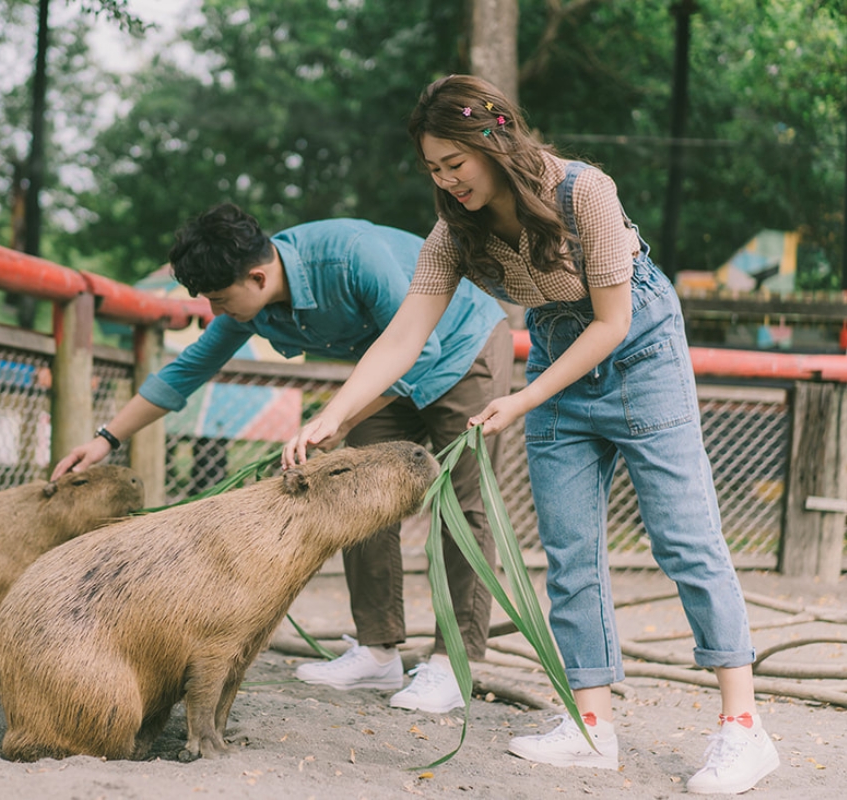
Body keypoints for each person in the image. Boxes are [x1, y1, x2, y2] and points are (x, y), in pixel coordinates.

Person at [282, 74, 779, 795]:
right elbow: (405, 334)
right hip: (553, 355)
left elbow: (612, 324)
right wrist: (335, 417)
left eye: (456, 164)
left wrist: (524, 397)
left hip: (640, 355)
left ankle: (743, 730)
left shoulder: (585, 193)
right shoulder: (456, 231)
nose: (448, 183)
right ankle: (591, 727)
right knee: (571, 553)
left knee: (685, 539)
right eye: (434, 171)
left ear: (497, 138)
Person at [53, 202, 513, 713]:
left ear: (255, 275)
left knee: (462, 505)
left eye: (221, 299)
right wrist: (105, 439)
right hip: (383, 374)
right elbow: (185, 372)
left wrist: (335, 415)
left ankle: (454, 663)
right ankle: (378, 649)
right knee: (356, 493)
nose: (217, 311)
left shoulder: (351, 258)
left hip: (459, 348)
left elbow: (419, 348)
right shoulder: (250, 304)